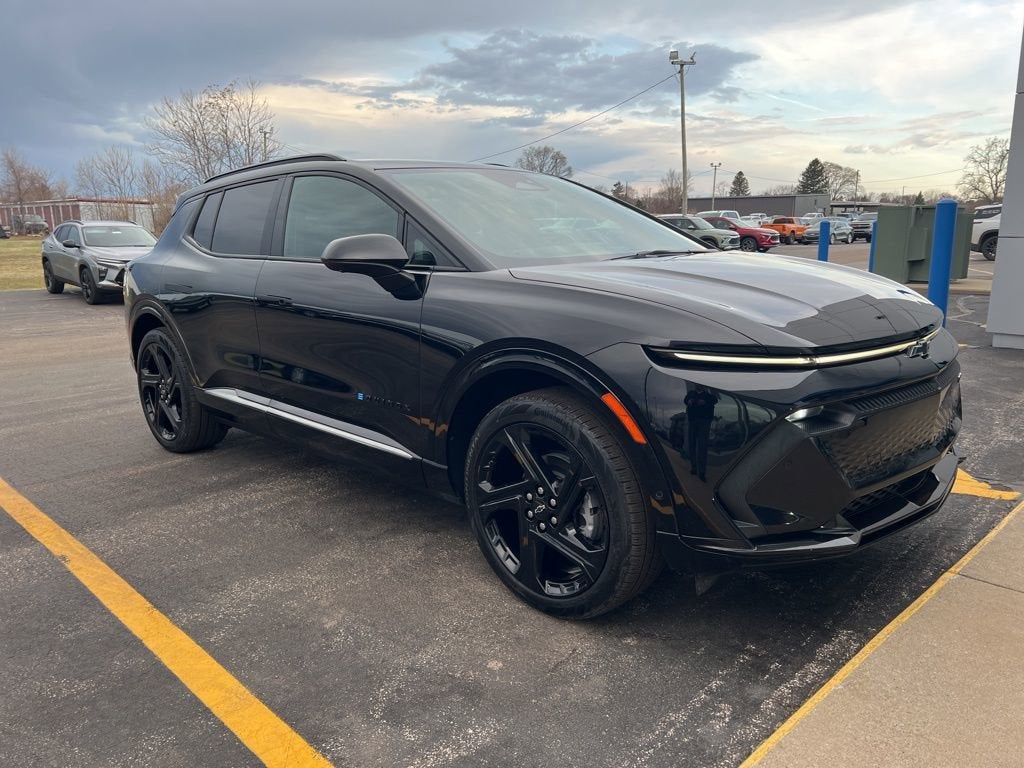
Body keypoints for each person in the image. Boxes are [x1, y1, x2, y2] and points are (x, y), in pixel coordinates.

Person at [684, 385, 718, 481]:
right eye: (697, 385)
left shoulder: (708, 396)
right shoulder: (691, 394)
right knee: (692, 444)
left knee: (702, 446)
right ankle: (694, 467)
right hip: (693, 421)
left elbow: (714, 400)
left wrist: (705, 402)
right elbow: (685, 400)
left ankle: (702, 471)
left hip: (704, 422)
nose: (698, 386)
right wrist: (689, 401)